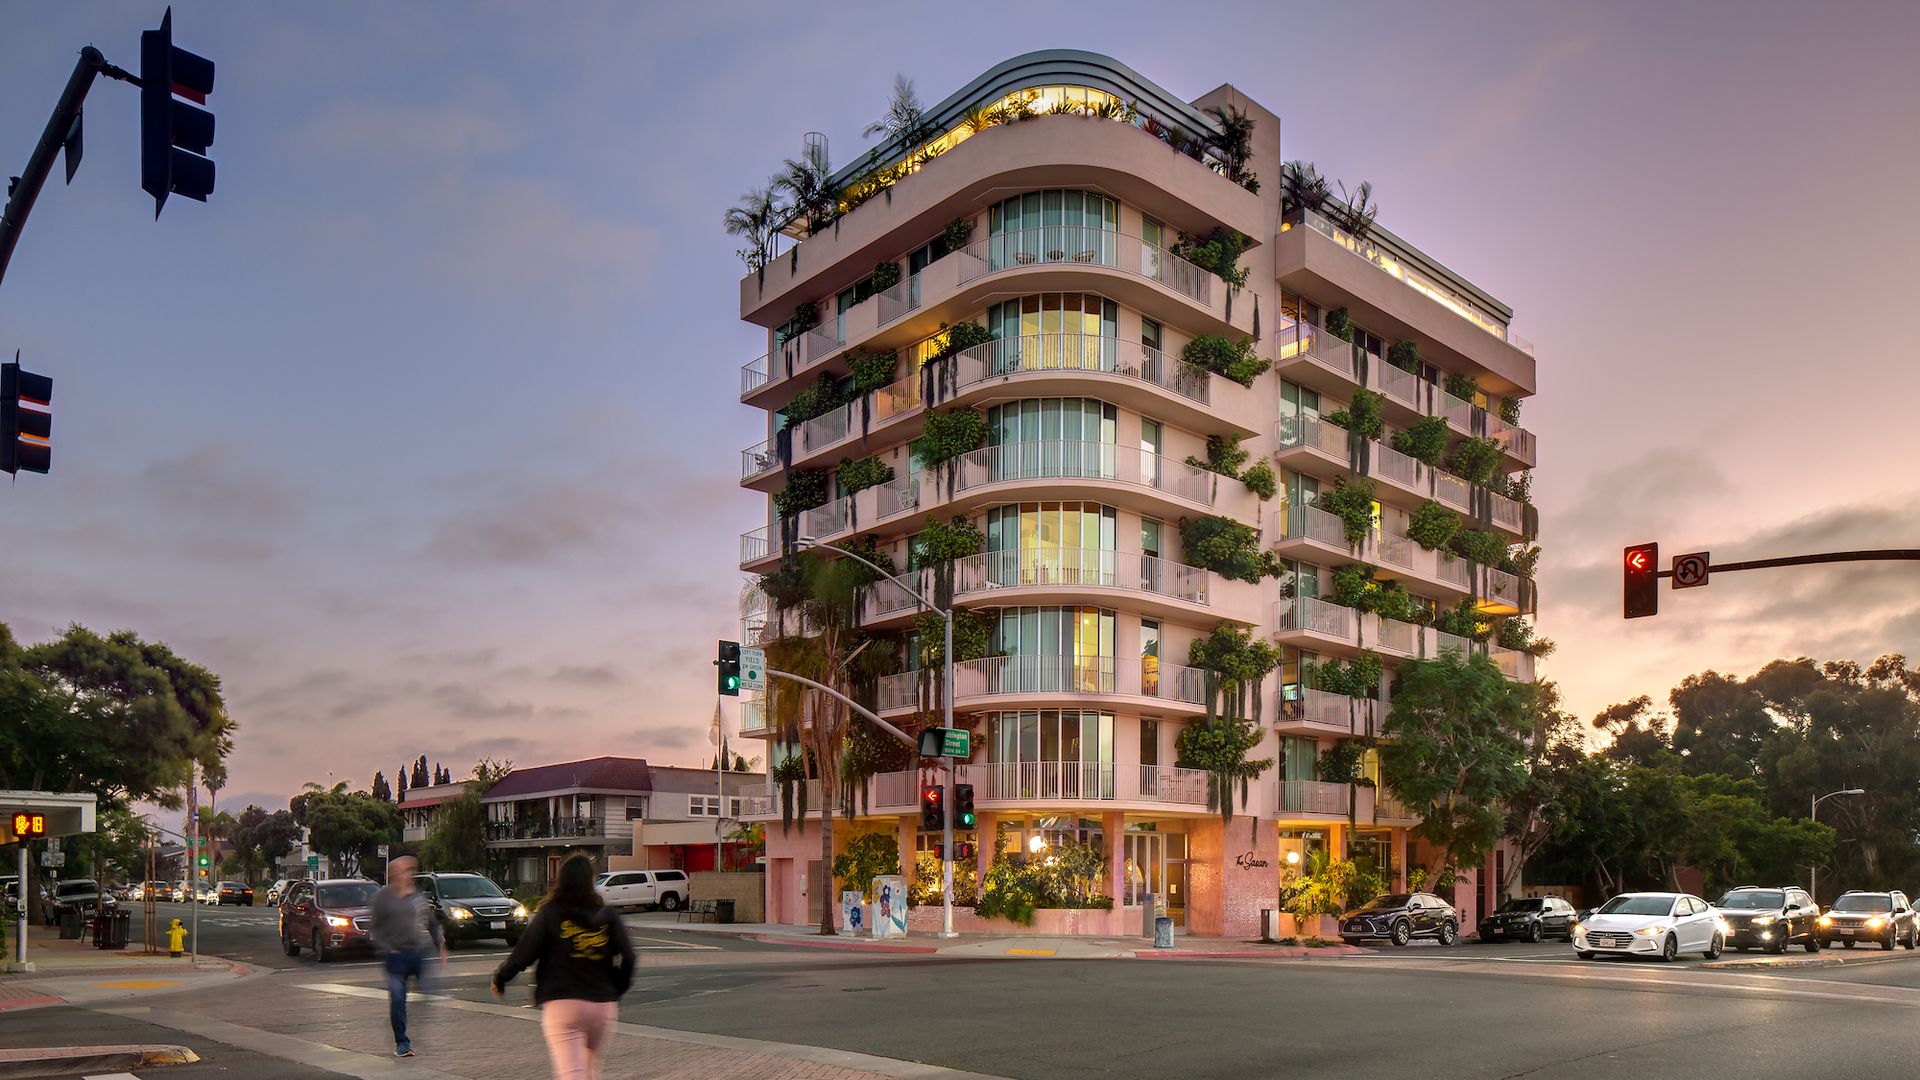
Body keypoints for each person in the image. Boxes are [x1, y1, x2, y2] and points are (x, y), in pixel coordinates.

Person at [492, 854, 636, 1080]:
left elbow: (525, 953)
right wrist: (617, 989)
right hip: (601, 1006)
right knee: (588, 1071)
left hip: (563, 1004)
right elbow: (629, 957)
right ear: (590, 881)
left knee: (574, 1074)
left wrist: (501, 977)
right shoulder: (607, 915)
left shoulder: (550, 913)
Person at [368, 855, 445, 1058]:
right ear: (393, 874)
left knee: (428, 991)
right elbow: (375, 928)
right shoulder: (382, 898)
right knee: (398, 998)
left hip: (418, 953)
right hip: (395, 957)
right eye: (405, 870)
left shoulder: (417, 896)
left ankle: (419, 998)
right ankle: (402, 1042)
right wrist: (387, 948)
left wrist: (440, 944)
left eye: (411, 870)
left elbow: (431, 922)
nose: (409, 874)